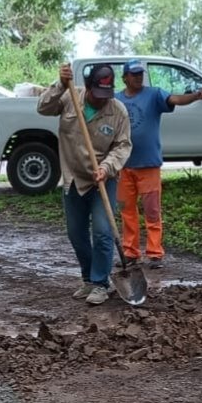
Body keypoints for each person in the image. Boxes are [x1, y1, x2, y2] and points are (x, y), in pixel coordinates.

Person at [37, 62, 131, 304]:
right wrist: (60, 84)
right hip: (73, 177)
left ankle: (101, 284)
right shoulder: (69, 97)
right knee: (76, 233)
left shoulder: (118, 111)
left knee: (102, 232)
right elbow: (43, 107)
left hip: (102, 180)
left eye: (106, 94)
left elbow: (122, 146)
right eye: (97, 93)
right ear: (87, 87)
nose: (102, 99)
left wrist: (107, 167)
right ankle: (89, 278)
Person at [116, 61, 202, 267]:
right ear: (125, 78)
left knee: (152, 211)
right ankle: (130, 252)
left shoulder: (154, 95)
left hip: (148, 165)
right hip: (123, 165)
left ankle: (154, 253)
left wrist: (196, 96)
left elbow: (175, 99)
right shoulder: (116, 100)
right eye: (134, 74)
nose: (138, 77)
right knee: (127, 211)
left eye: (140, 73)